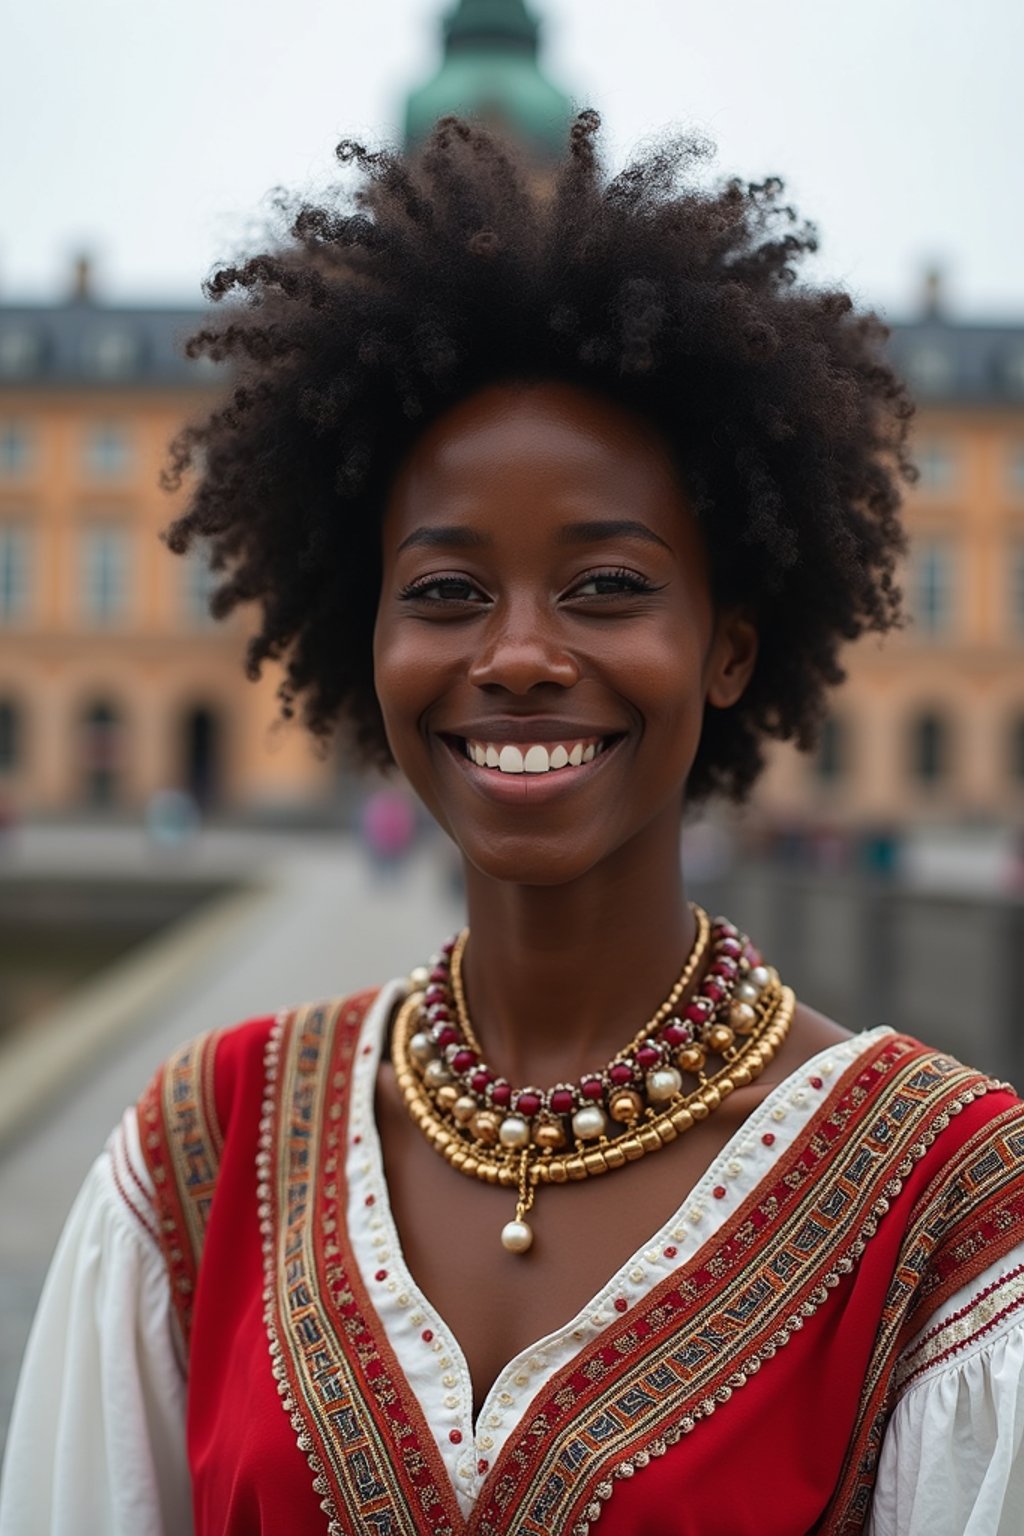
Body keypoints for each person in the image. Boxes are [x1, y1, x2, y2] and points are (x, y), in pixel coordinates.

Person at [3, 113, 1023, 1536]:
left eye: (607, 584)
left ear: (730, 646)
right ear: (359, 636)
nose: (520, 654)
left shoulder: (957, 1216)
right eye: (444, 591)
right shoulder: (198, 1151)